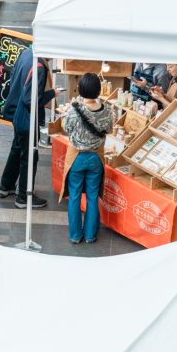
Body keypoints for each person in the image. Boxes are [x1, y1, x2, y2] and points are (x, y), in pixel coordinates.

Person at [0, 47, 58, 209]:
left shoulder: (26, 52)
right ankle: (24, 195)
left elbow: (13, 76)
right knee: (30, 155)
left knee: (17, 147)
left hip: (14, 111)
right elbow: (32, 100)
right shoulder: (39, 68)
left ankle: (6, 185)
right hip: (27, 118)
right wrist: (52, 93)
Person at [59, 72, 114, 244]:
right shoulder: (107, 111)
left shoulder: (75, 110)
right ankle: (90, 235)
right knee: (92, 196)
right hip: (96, 157)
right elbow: (110, 129)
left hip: (77, 157)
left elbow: (66, 128)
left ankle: (75, 235)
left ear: (81, 89)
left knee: (74, 196)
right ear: (98, 90)